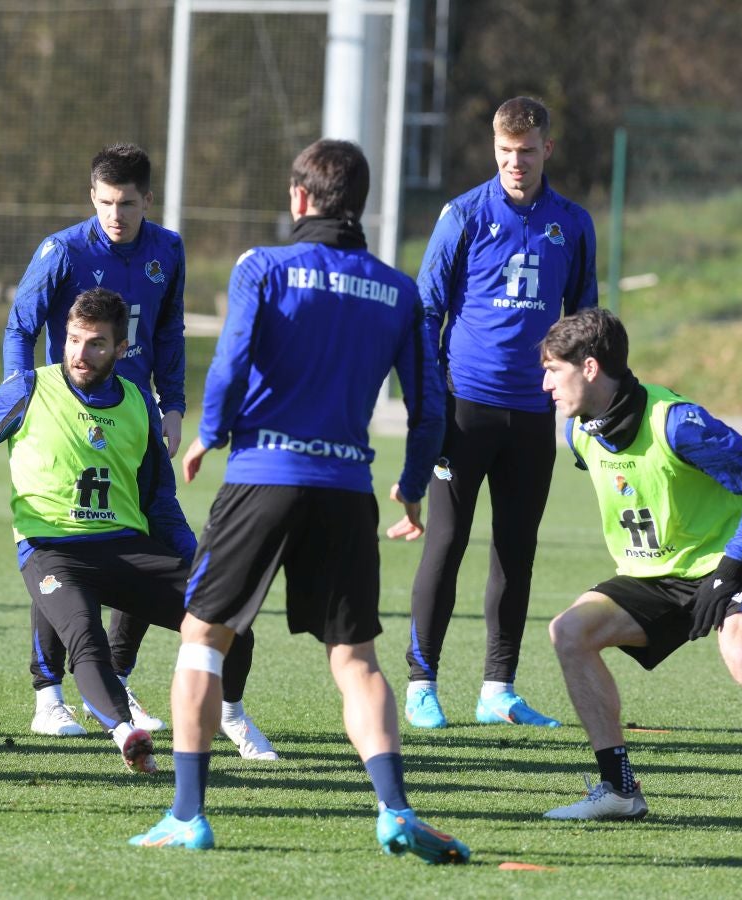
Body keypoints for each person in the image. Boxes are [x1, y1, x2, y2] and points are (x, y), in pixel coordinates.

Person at [130, 139, 468, 861]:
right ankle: (394, 809)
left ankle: (187, 816)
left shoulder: (264, 267)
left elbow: (233, 357)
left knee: (202, 640)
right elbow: (430, 407)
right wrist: (409, 488)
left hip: (264, 474)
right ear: (361, 205)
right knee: (357, 662)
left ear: (299, 198)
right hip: (347, 489)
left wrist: (208, 435)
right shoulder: (399, 291)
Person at [0, 288, 272, 773]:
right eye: (73, 340)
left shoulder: (138, 401)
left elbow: (159, 500)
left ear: (120, 349)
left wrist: (196, 561)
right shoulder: (31, 387)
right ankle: (126, 732)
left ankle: (232, 715)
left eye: (95, 343)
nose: (79, 352)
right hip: (51, 550)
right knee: (86, 639)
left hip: (125, 547)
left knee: (230, 619)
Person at [539, 307, 742, 837]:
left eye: (553, 370)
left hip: (725, 565)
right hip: (648, 577)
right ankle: (619, 791)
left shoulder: (678, 422)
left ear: (589, 367)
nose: (545, 383)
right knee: (569, 631)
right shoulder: (581, 432)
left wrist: (731, 568)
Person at [403, 96, 597, 730]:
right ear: (495, 148)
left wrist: (584, 408)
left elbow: (585, 324)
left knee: (517, 550)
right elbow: (427, 311)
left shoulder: (573, 223)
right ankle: (421, 681)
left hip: (533, 415)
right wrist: (428, 407)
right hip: (466, 409)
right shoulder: (462, 214)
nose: (516, 162)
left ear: (548, 149)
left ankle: (497, 688)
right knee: (447, 542)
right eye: (506, 152)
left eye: (528, 151)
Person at [1, 143, 192, 741]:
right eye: (106, 202)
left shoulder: (168, 250)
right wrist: (18, 395)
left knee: (147, 543)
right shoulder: (63, 250)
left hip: (134, 423)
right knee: (63, 543)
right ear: (92, 196)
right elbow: (21, 324)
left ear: (147, 200)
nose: (116, 214)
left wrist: (175, 404)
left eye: (128, 203)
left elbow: (170, 330)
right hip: (67, 421)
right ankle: (48, 695)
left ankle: (115, 680)